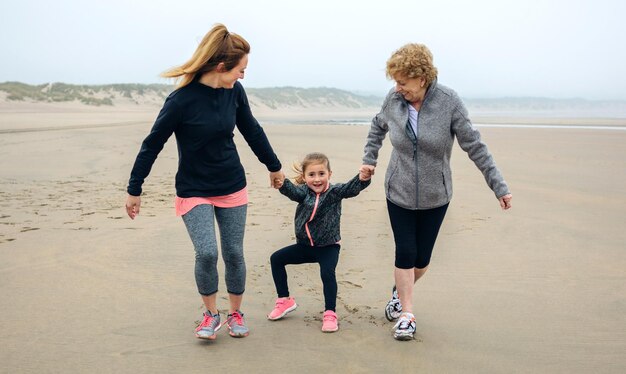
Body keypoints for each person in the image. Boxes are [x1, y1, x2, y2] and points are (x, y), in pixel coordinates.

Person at [124, 24, 285, 340]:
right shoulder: (181, 101)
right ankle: (210, 314)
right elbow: (152, 143)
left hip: (232, 185)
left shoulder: (234, 93)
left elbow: (251, 130)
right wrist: (134, 188)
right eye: (240, 70)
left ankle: (235, 313)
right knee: (208, 252)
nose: (243, 76)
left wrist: (274, 166)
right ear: (222, 67)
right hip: (194, 189)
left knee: (234, 253)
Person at [360, 43, 512, 341]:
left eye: (403, 82)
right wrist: (369, 158)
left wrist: (498, 185)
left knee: (421, 261)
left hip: (435, 196)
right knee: (405, 252)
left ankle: (398, 293)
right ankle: (407, 315)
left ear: (422, 77)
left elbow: (475, 146)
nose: (398, 88)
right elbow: (378, 127)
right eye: (395, 82)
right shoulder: (393, 100)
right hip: (398, 190)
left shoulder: (449, 103)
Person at [267, 153, 371, 332]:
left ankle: (330, 313)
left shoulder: (334, 192)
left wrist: (362, 179)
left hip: (328, 247)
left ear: (329, 174)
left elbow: (350, 189)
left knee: (327, 273)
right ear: (305, 176)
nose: (317, 179)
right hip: (305, 246)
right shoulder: (303, 193)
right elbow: (291, 190)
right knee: (276, 259)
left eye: (321, 174)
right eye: (312, 175)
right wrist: (282, 182)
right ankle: (284, 300)